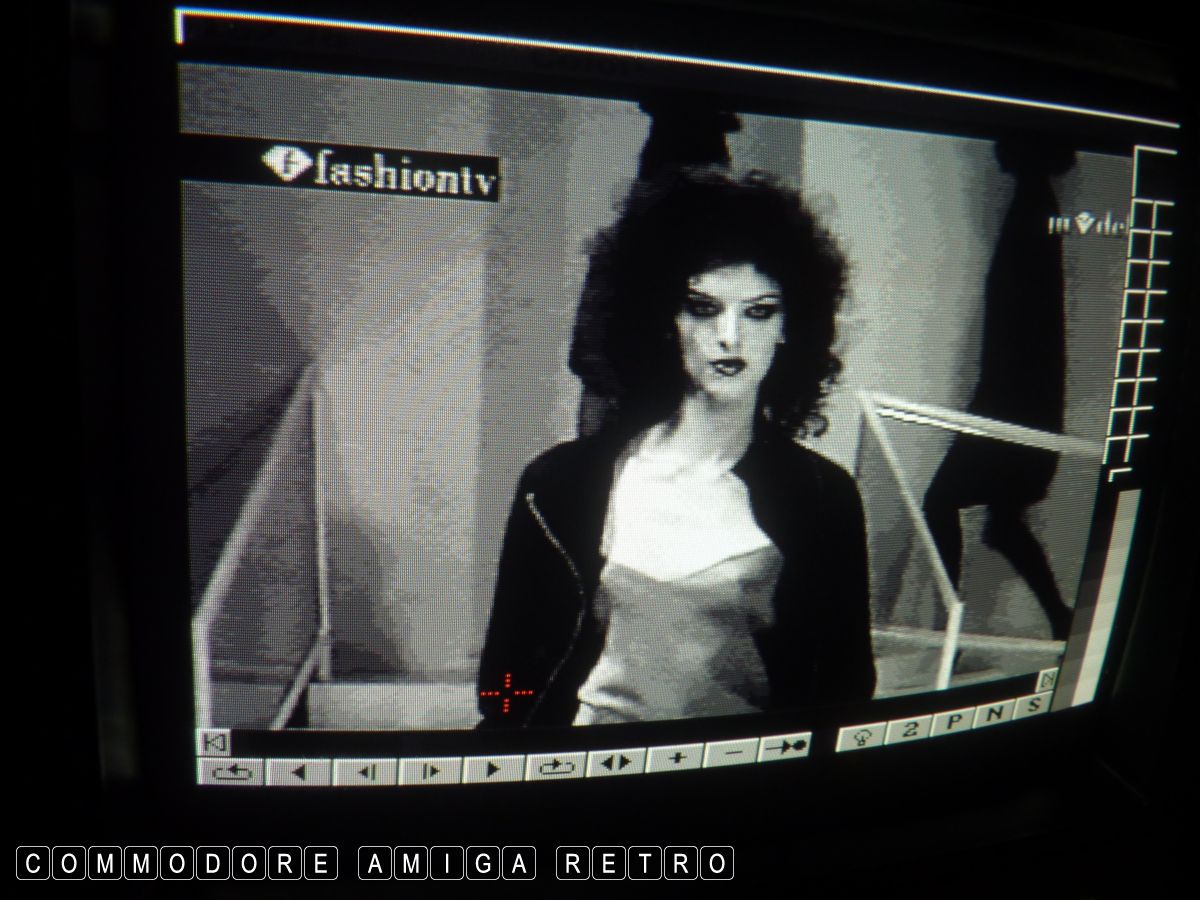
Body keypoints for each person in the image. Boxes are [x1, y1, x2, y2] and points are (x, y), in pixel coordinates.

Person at [476, 168, 876, 728]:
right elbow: (505, 688)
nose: (730, 337)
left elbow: (845, 694)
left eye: (759, 311)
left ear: (791, 325)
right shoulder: (559, 483)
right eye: (703, 309)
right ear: (666, 318)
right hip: (587, 763)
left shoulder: (824, 498)